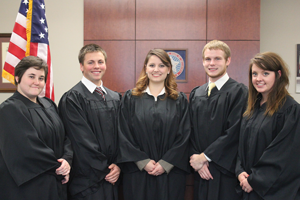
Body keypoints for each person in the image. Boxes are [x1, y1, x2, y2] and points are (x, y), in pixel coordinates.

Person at [117, 49, 190, 200]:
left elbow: (184, 135)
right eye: (152, 65)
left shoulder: (179, 100)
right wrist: (142, 162)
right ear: (145, 68)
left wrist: (166, 163)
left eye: (162, 65)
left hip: (170, 174)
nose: (156, 70)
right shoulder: (131, 98)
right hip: (138, 173)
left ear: (169, 69)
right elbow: (123, 133)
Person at [0, 56, 73, 200]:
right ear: (17, 78)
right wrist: (59, 166)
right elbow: (27, 149)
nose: (37, 82)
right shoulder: (9, 109)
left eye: (41, 78)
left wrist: (67, 160)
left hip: (56, 181)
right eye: (31, 76)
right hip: (30, 187)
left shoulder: (49, 104)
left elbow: (65, 137)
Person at [58, 44, 121, 200]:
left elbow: (123, 135)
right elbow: (81, 141)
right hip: (87, 181)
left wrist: (119, 165)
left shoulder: (115, 98)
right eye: (90, 62)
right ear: (81, 66)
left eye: (100, 62)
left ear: (105, 65)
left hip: (113, 177)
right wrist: (104, 169)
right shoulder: (73, 98)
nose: (96, 66)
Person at [236, 52, 300, 200]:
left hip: (273, 191)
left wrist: (255, 180)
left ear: (278, 75)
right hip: (247, 187)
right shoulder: (251, 109)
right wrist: (239, 172)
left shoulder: (290, 110)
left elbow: (284, 154)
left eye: (265, 73)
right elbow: (241, 146)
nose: (258, 79)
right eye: (254, 74)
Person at [189, 40, 248, 200]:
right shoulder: (197, 93)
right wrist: (197, 160)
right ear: (202, 62)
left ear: (228, 60)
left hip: (225, 171)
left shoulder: (238, 92)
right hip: (200, 171)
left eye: (217, 59)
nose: (212, 63)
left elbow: (234, 131)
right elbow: (190, 130)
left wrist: (205, 157)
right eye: (208, 59)